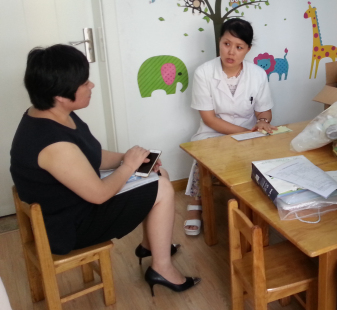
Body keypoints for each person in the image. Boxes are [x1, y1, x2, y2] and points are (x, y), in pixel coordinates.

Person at [10, 45, 199, 296]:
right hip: (68, 228)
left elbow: (92, 155)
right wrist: (129, 165)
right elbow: (99, 195)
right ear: (61, 95)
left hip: (72, 205)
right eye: (84, 83)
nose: (91, 85)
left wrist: (131, 159)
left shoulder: (54, 114)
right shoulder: (53, 145)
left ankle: (150, 245)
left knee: (157, 175)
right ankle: (161, 268)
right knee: (162, 187)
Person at [184, 18, 275, 235]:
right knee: (201, 159)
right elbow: (209, 119)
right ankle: (196, 203)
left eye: (239, 47)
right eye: (226, 44)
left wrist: (263, 122)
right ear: (219, 42)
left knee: (270, 156)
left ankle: (255, 203)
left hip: (249, 131)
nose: (231, 52)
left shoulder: (258, 74)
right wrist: (246, 133)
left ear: (248, 49)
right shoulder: (204, 72)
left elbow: (264, 111)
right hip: (213, 133)